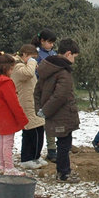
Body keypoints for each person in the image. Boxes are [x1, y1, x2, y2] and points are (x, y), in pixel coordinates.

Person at [34, 38, 81, 183]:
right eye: (74, 56)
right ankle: (64, 173)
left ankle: (62, 171)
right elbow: (60, 96)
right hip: (63, 114)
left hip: (53, 114)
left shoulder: (46, 68)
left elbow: (37, 91)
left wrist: (40, 109)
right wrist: (46, 110)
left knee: (61, 142)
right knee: (64, 144)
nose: (74, 60)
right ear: (68, 54)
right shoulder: (63, 72)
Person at [0, 51, 29, 176]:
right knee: (8, 143)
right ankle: (9, 167)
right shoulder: (6, 83)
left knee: (2, 141)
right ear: (6, 68)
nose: (12, 72)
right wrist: (22, 119)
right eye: (11, 69)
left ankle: (2, 165)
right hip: (8, 117)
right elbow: (14, 103)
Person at [11, 44, 48, 170]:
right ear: (25, 55)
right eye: (32, 57)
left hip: (32, 102)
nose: (34, 61)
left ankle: (35, 156)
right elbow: (27, 74)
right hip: (26, 103)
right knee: (32, 131)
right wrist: (32, 63)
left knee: (37, 129)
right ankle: (28, 158)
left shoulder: (23, 65)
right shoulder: (17, 66)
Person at [31, 28, 58, 162]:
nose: (51, 45)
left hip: (53, 89)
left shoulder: (52, 53)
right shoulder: (36, 55)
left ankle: (53, 148)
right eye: (50, 42)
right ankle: (50, 149)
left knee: (52, 119)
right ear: (42, 41)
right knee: (44, 120)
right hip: (42, 91)